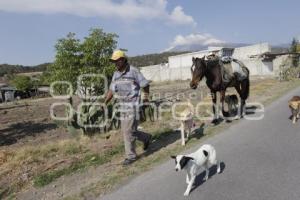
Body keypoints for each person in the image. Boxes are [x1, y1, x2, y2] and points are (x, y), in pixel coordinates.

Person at [104, 50, 152, 166]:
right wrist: (105, 102)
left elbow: (145, 85)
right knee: (131, 131)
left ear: (124, 60)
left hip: (133, 105)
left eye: (117, 60)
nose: (115, 63)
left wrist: (145, 98)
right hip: (122, 106)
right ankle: (146, 137)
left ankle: (131, 156)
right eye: (114, 61)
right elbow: (111, 89)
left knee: (127, 131)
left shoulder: (133, 71)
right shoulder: (116, 74)